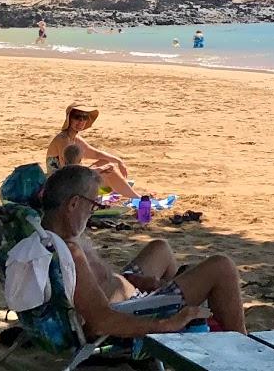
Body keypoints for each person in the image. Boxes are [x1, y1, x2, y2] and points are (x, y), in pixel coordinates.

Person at [38, 165, 246, 337]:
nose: (93, 213)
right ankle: (241, 344)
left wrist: (134, 281)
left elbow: (100, 282)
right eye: (93, 206)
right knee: (221, 266)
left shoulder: (47, 233)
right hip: (131, 311)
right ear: (73, 204)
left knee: (160, 247)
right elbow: (102, 321)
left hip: (125, 291)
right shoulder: (67, 254)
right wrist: (167, 324)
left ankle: (176, 303)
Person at [48, 105, 137, 200]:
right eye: (77, 117)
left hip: (71, 183)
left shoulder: (75, 139)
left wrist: (119, 161)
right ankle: (136, 198)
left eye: (84, 117)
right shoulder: (63, 140)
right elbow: (69, 172)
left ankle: (120, 189)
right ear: (69, 119)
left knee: (106, 163)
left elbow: (96, 154)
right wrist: (99, 170)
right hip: (62, 189)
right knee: (109, 171)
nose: (81, 121)